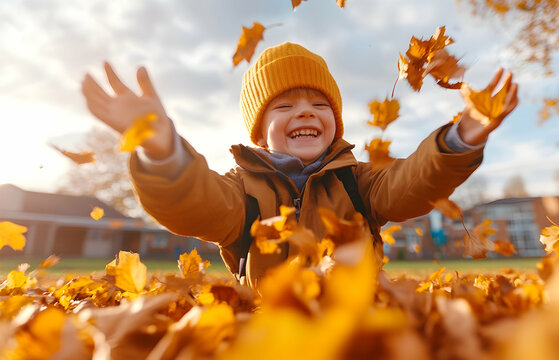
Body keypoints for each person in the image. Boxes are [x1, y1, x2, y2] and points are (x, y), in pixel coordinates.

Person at [81, 42, 518, 288]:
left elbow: (411, 184)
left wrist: (463, 136)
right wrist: (162, 152)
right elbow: (197, 205)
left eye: (319, 104)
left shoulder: (358, 181)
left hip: (358, 322)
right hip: (271, 327)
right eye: (284, 105)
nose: (306, 112)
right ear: (259, 132)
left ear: (335, 121)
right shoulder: (241, 189)